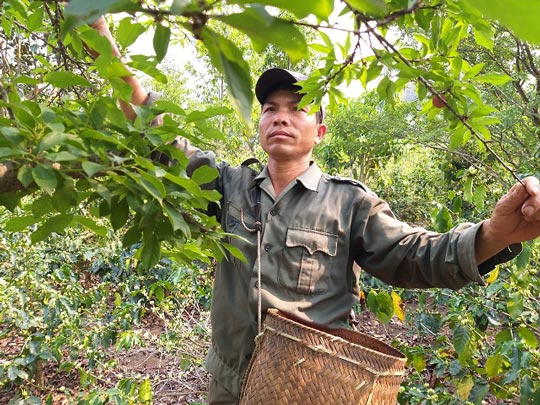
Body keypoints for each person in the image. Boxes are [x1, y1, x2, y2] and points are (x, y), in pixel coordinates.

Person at [89, 17, 540, 404]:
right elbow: (159, 138)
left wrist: (496, 234)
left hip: (307, 387)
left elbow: (413, 255)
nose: (281, 117)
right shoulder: (228, 185)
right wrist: (99, 35)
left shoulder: (349, 203)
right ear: (260, 123)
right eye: (270, 109)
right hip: (227, 386)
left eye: (296, 109)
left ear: (319, 130)